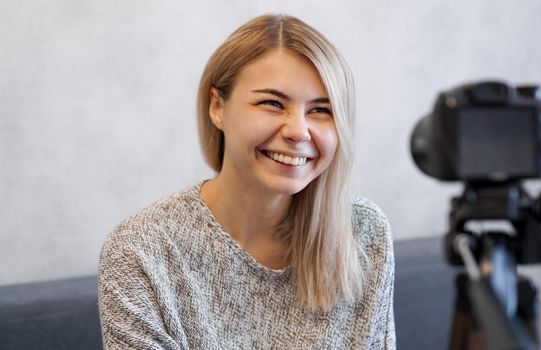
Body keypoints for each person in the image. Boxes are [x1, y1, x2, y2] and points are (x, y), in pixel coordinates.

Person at [98, 14, 395, 349]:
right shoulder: (141, 250)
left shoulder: (363, 233)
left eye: (320, 110)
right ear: (217, 107)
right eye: (272, 103)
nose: (298, 131)